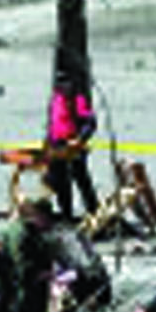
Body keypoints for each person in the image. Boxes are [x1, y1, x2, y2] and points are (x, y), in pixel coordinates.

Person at [44, 75, 100, 222]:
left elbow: (91, 122)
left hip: (73, 146)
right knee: (61, 182)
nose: (65, 88)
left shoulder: (78, 101)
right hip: (57, 146)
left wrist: (80, 139)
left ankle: (93, 209)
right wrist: (48, 145)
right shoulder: (55, 100)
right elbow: (52, 125)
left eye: (67, 84)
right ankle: (66, 214)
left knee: (81, 177)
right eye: (62, 84)